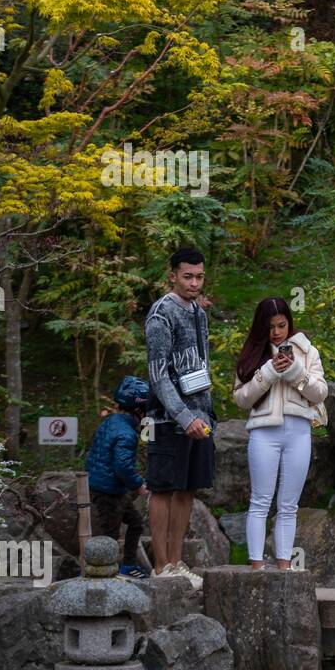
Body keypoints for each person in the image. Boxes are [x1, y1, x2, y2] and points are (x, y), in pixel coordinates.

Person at [231, 297, 328, 570]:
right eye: (270, 327)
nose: (276, 332)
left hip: (298, 431)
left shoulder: (307, 351)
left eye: (282, 325)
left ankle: (285, 565)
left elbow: (321, 393)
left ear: (290, 323)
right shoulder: (253, 352)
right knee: (260, 500)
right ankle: (257, 565)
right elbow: (241, 398)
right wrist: (269, 372)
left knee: (289, 504)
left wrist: (296, 371)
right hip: (264, 432)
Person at [143, 247, 214, 590]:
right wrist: (183, 416)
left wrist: (203, 411)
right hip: (166, 416)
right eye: (188, 276)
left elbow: (201, 366)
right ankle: (160, 566)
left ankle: (175, 561)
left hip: (199, 414)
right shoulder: (161, 314)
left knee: (187, 489)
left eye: (199, 276)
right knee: (163, 487)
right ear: (172, 275)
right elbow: (158, 375)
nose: (194, 283)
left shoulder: (199, 313)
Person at [84, 376, 152, 579]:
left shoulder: (111, 421)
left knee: (136, 523)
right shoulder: (127, 434)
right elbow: (122, 466)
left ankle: (127, 565)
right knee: (110, 534)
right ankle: (106, 574)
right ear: (139, 410)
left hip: (106, 486)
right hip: (107, 491)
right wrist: (139, 485)